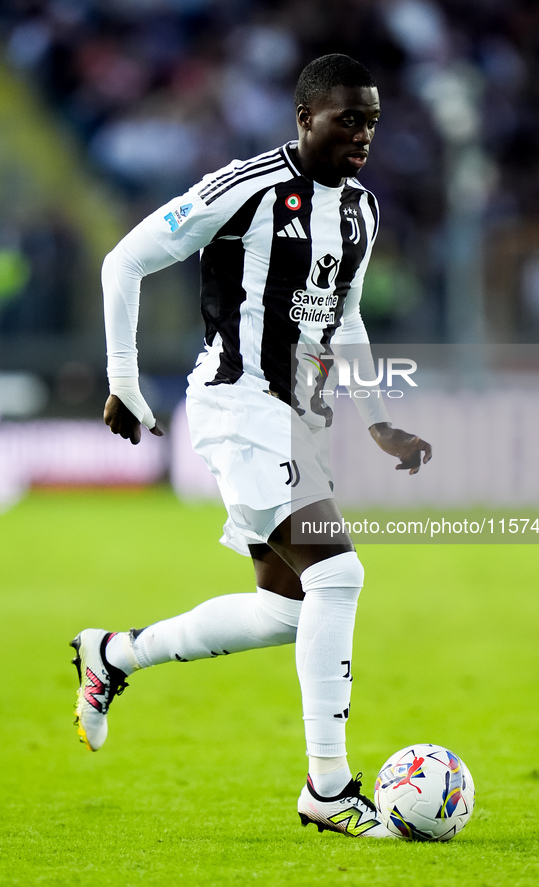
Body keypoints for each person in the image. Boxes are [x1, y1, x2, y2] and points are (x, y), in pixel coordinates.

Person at [70, 54, 431, 839]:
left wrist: (375, 417)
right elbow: (124, 259)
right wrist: (124, 377)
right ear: (305, 118)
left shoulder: (363, 211)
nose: (362, 134)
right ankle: (328, 789)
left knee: (284, 610)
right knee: (338, 574)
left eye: (370, 119)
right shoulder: (246, 186)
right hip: (238, 403)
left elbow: (347, 320)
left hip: (297, 414)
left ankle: (112, 654)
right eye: (347, 118)